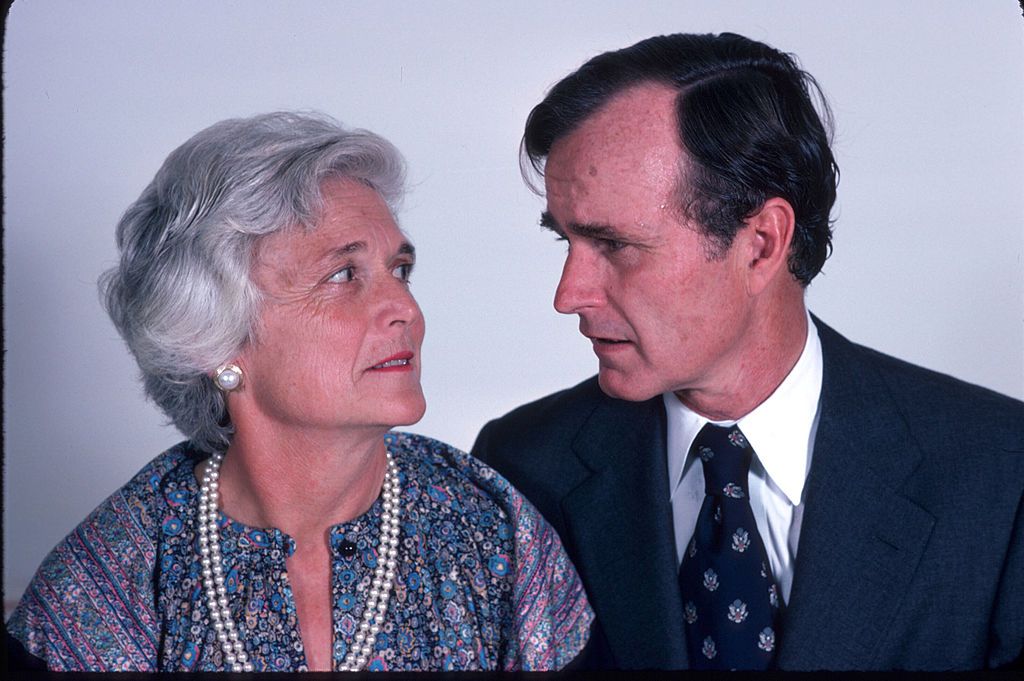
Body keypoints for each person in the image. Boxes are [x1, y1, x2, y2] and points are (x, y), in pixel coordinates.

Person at [471, 33, 1024, 670]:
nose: (568, 294)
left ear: (761, 243)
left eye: (615, 245)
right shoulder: (518, 470)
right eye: (565, 241)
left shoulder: (999, 475)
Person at [5, 112, 592, 672]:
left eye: (401, 270)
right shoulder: (115, 576)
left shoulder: (492, 531)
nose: (405, 310)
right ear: (215, 337)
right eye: (343, 275)